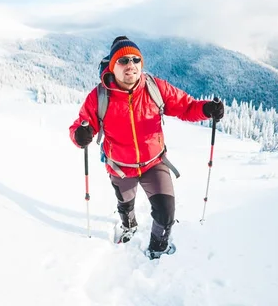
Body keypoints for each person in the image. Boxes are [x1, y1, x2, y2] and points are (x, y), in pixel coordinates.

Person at [69, 36, 224, 258]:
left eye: (135, 59)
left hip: (154, 162)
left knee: (165, 213)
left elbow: (186, 106)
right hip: (120, 167)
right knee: (125, 204)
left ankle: (158, 248)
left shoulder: (154, 87)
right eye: (123, 61)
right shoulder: (99, 97)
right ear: (113, 66)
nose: (130, 65)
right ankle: (129, 225)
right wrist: (80, 135)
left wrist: (207, 109)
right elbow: (82, 125)